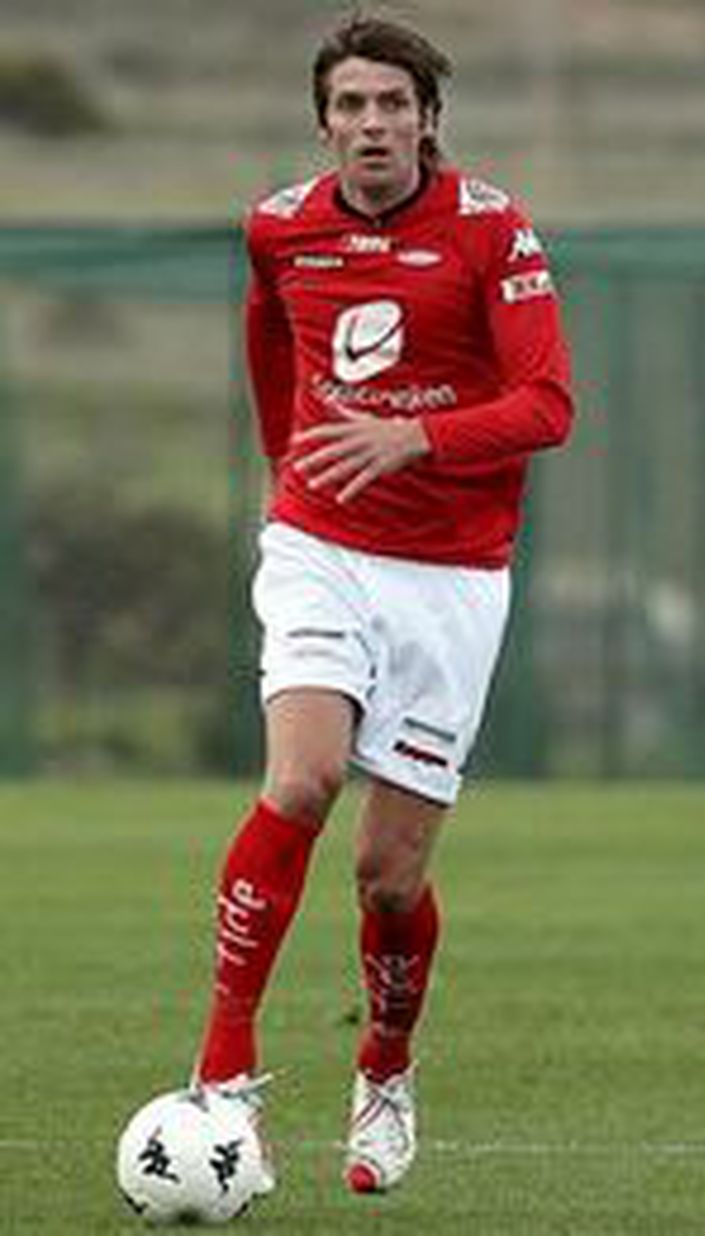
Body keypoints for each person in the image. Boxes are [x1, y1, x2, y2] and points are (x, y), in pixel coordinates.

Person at [192, 13, 573, 1197]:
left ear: (426, 119)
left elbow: (548, 404)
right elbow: (267, 337)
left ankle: (385, 1070)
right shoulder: (278, 227)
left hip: (452, 575)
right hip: (320, 544)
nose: (371, 125)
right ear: (323, 124)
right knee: (301, 781)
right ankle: (222, 1075)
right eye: (350, 106)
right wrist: (287, 467)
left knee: (387, 877)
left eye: (391, 105)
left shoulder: (490, 229)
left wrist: (415, 438)